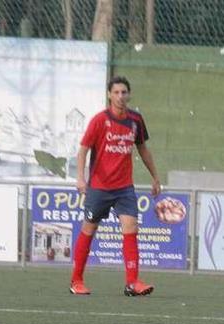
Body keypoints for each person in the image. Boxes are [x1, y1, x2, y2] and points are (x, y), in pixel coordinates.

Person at [69, 75, 161, 296]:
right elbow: (83, 150)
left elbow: (143, 149)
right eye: (116, 92)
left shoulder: (136, 120)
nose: (121, 96)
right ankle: (76, 280)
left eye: (124, 92)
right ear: (109, 95)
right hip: (99, 187)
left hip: (124, 188)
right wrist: (81, 178)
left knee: (131, 228)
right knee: (89, 229)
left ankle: (132, 282)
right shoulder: (100, 120)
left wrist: (155, 177)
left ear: (129, 95)